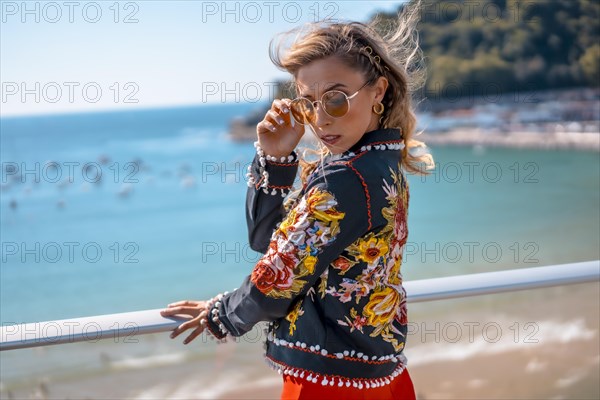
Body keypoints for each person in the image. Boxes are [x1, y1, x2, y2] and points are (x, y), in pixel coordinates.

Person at [161, 4, 434, 399]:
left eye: (336, 99)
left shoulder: (347, 178)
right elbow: (271, 241)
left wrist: (221, 315)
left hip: (332, 387)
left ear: (378, 90)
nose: (321, 119)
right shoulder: (381, 166)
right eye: (308, 102)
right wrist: (275, 160)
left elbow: (277, 276)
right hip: (377, 377)